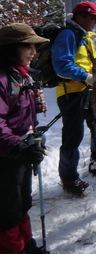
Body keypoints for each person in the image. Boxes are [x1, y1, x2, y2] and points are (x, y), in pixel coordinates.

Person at [51, 1, 96, 194]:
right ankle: (69, 179)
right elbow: (61, 64)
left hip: (88, 90)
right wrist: (86, 77)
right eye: (93, 18)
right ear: (80, 18)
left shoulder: (84, 36)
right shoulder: (68, 34)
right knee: (73, 134)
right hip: (71, 92)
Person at [0, 24, 49, 254]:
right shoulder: (2, 78)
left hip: (18, 152)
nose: (34, 52)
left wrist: (32, 137)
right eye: (28, 46)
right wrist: (18, 146)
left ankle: (27, 245)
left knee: (22, 204)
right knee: (7, 212)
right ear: (11, 48)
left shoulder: (18, 74)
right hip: (6, 156)